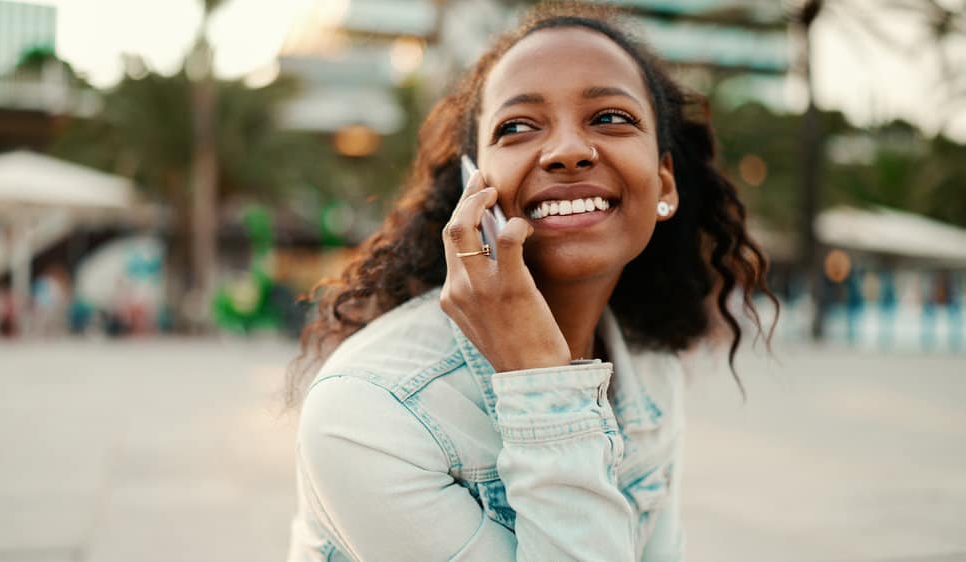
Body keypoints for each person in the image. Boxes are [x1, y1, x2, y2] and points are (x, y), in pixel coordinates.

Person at [285, 4, 776, 561]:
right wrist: (540, 381)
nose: (568, 151)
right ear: (473, 186)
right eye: (516, 127)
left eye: (610, 117)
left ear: (664, 181)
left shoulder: (650, 372)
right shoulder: (372, 414)